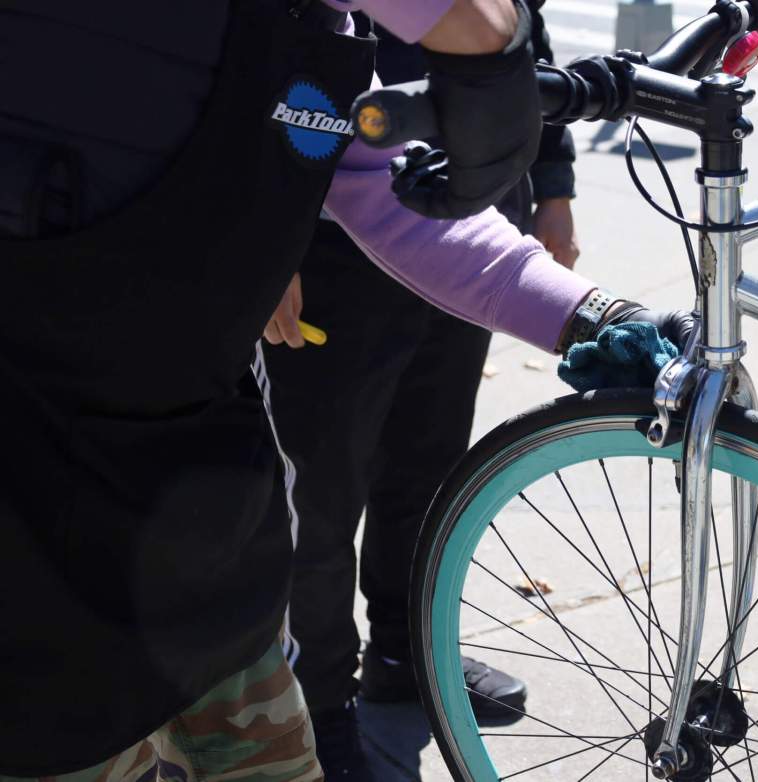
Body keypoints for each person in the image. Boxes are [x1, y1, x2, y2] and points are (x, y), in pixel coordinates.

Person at [0, 1, 689, 778]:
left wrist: (596, 319)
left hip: (201, 544)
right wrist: (488, 42)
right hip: (30, 569)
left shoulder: (307, 32)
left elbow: (382, 188)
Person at [260, 7, 579, 776]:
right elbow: (255, 61)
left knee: (430, 464)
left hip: (471, 221)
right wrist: (264, 237)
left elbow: (516, 31)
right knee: (322, 498)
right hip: (333, 239)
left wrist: (555, 184)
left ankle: (411, 651)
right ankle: (319, 705)